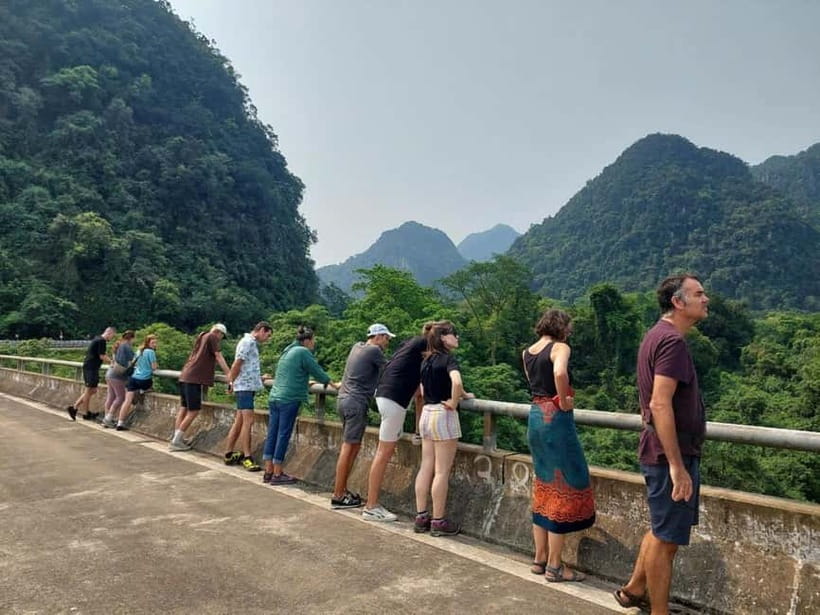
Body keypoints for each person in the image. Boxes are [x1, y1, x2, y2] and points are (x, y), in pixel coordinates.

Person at [614, 275, 709, 614]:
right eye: (699, 293)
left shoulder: (657, 335)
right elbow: (659, 403)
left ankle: (634, 589)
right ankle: (659, 611)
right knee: (666, 541)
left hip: (662, 450)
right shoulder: (672, 342)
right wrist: (677, 465)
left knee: (660, 529)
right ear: (678, 302)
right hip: (670, 453)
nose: (706, 298)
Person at [523, 309, 595, 583]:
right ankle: (555, 565)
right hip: (556, 418)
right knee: (564, 485)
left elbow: (534, 383)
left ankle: (540, 558)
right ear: (562, 327)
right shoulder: (560, 347)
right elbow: (560, 372)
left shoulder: (527, 352)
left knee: (544, 485)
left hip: (535, 417)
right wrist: (564, 399)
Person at [362, 322, 433, 522]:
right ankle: (371, 506)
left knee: (383, 451)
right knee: (383, 453)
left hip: (384, 396)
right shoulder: (424, 348)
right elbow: (424, 390)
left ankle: (371, 504)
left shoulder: (410, 344)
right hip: (394, 401)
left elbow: (418, 390)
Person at [413, 321, 473, 537]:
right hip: (443, 414)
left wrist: (463, 394)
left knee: (425, 467)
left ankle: (421, 517)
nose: (457, 338)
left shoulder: (426, 360)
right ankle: (438, 521)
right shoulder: (449, 359)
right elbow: (455, 382)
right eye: (454, 334)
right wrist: (455, 401)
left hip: (427, 413)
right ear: (443, 338)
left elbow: (422, 388)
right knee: (441, 471)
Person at [262, 326, 338, 484]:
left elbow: (291, 372)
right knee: (283, 434)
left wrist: (304, 381)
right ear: (307, 341)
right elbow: (317, 371)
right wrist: (334, 384)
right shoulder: (303, 352)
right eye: (313, 340)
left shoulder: (288, 350)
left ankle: (268, 471)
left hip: (275, 396)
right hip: (289, 399)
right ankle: (278, 473)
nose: (314, 344)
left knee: (272, 433)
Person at [330, 323, 394, 509]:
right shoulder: (374, 350)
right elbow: (390, 370)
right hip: (355, 402)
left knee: (353, 446)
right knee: (349, 447)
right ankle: (338, 494)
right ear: (379, 336)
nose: (387, 342)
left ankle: (342, 491)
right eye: (387, 338)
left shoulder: (357, 346)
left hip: (343, 399)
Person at [170, 324, 231, 451]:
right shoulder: (212, 337)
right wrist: (229, 374)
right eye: (222, 336)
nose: (220, 339)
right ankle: (176, 441)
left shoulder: (201, 337)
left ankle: (177, 437)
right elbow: (218, 356)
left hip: (185, 375)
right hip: (194, 379)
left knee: (184, 408)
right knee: (194, 410)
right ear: (219, 333)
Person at [223, 321, 273, 472]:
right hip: (244, 387)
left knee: (239, 421)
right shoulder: (248, 342)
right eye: (268, 335)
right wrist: (231, 382)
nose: (267, 339)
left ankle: (228, 453)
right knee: (248, 422)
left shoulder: (249, 342)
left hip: (246, 385)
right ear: (262, 330)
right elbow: (237, 364)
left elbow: (246, 366)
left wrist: (259, 378)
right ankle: (247, 457)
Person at [67, 326, 116, 421]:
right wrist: (112, 362)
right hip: (91, 368)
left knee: (92, 390)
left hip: (91, 367)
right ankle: (85, 412)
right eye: (112, 336)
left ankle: (75, 408)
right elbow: (102, 356)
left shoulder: (97, 338)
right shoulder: (102, 341)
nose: (111, 338)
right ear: (109, 333)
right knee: (89, 390)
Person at [116, 334, 159, 431]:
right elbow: (154, 367)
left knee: (127, 401)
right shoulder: (151, 352)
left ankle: (120, 423)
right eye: (153, 342)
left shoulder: (139, 350)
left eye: (156, 342)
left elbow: (134, 362)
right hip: (144, 380)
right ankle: (141, 391)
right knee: (149, 385)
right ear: (148, 343)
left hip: (133, 378)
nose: (155, 344)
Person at [101, 331, 136, 428]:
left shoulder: (119, 345)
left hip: (110, 373)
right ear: (131, 338)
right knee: (121, 397)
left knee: (111, 397)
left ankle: (107, 418)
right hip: (118, 376)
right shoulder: (126, 346)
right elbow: (132, 360)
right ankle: (108, 418)